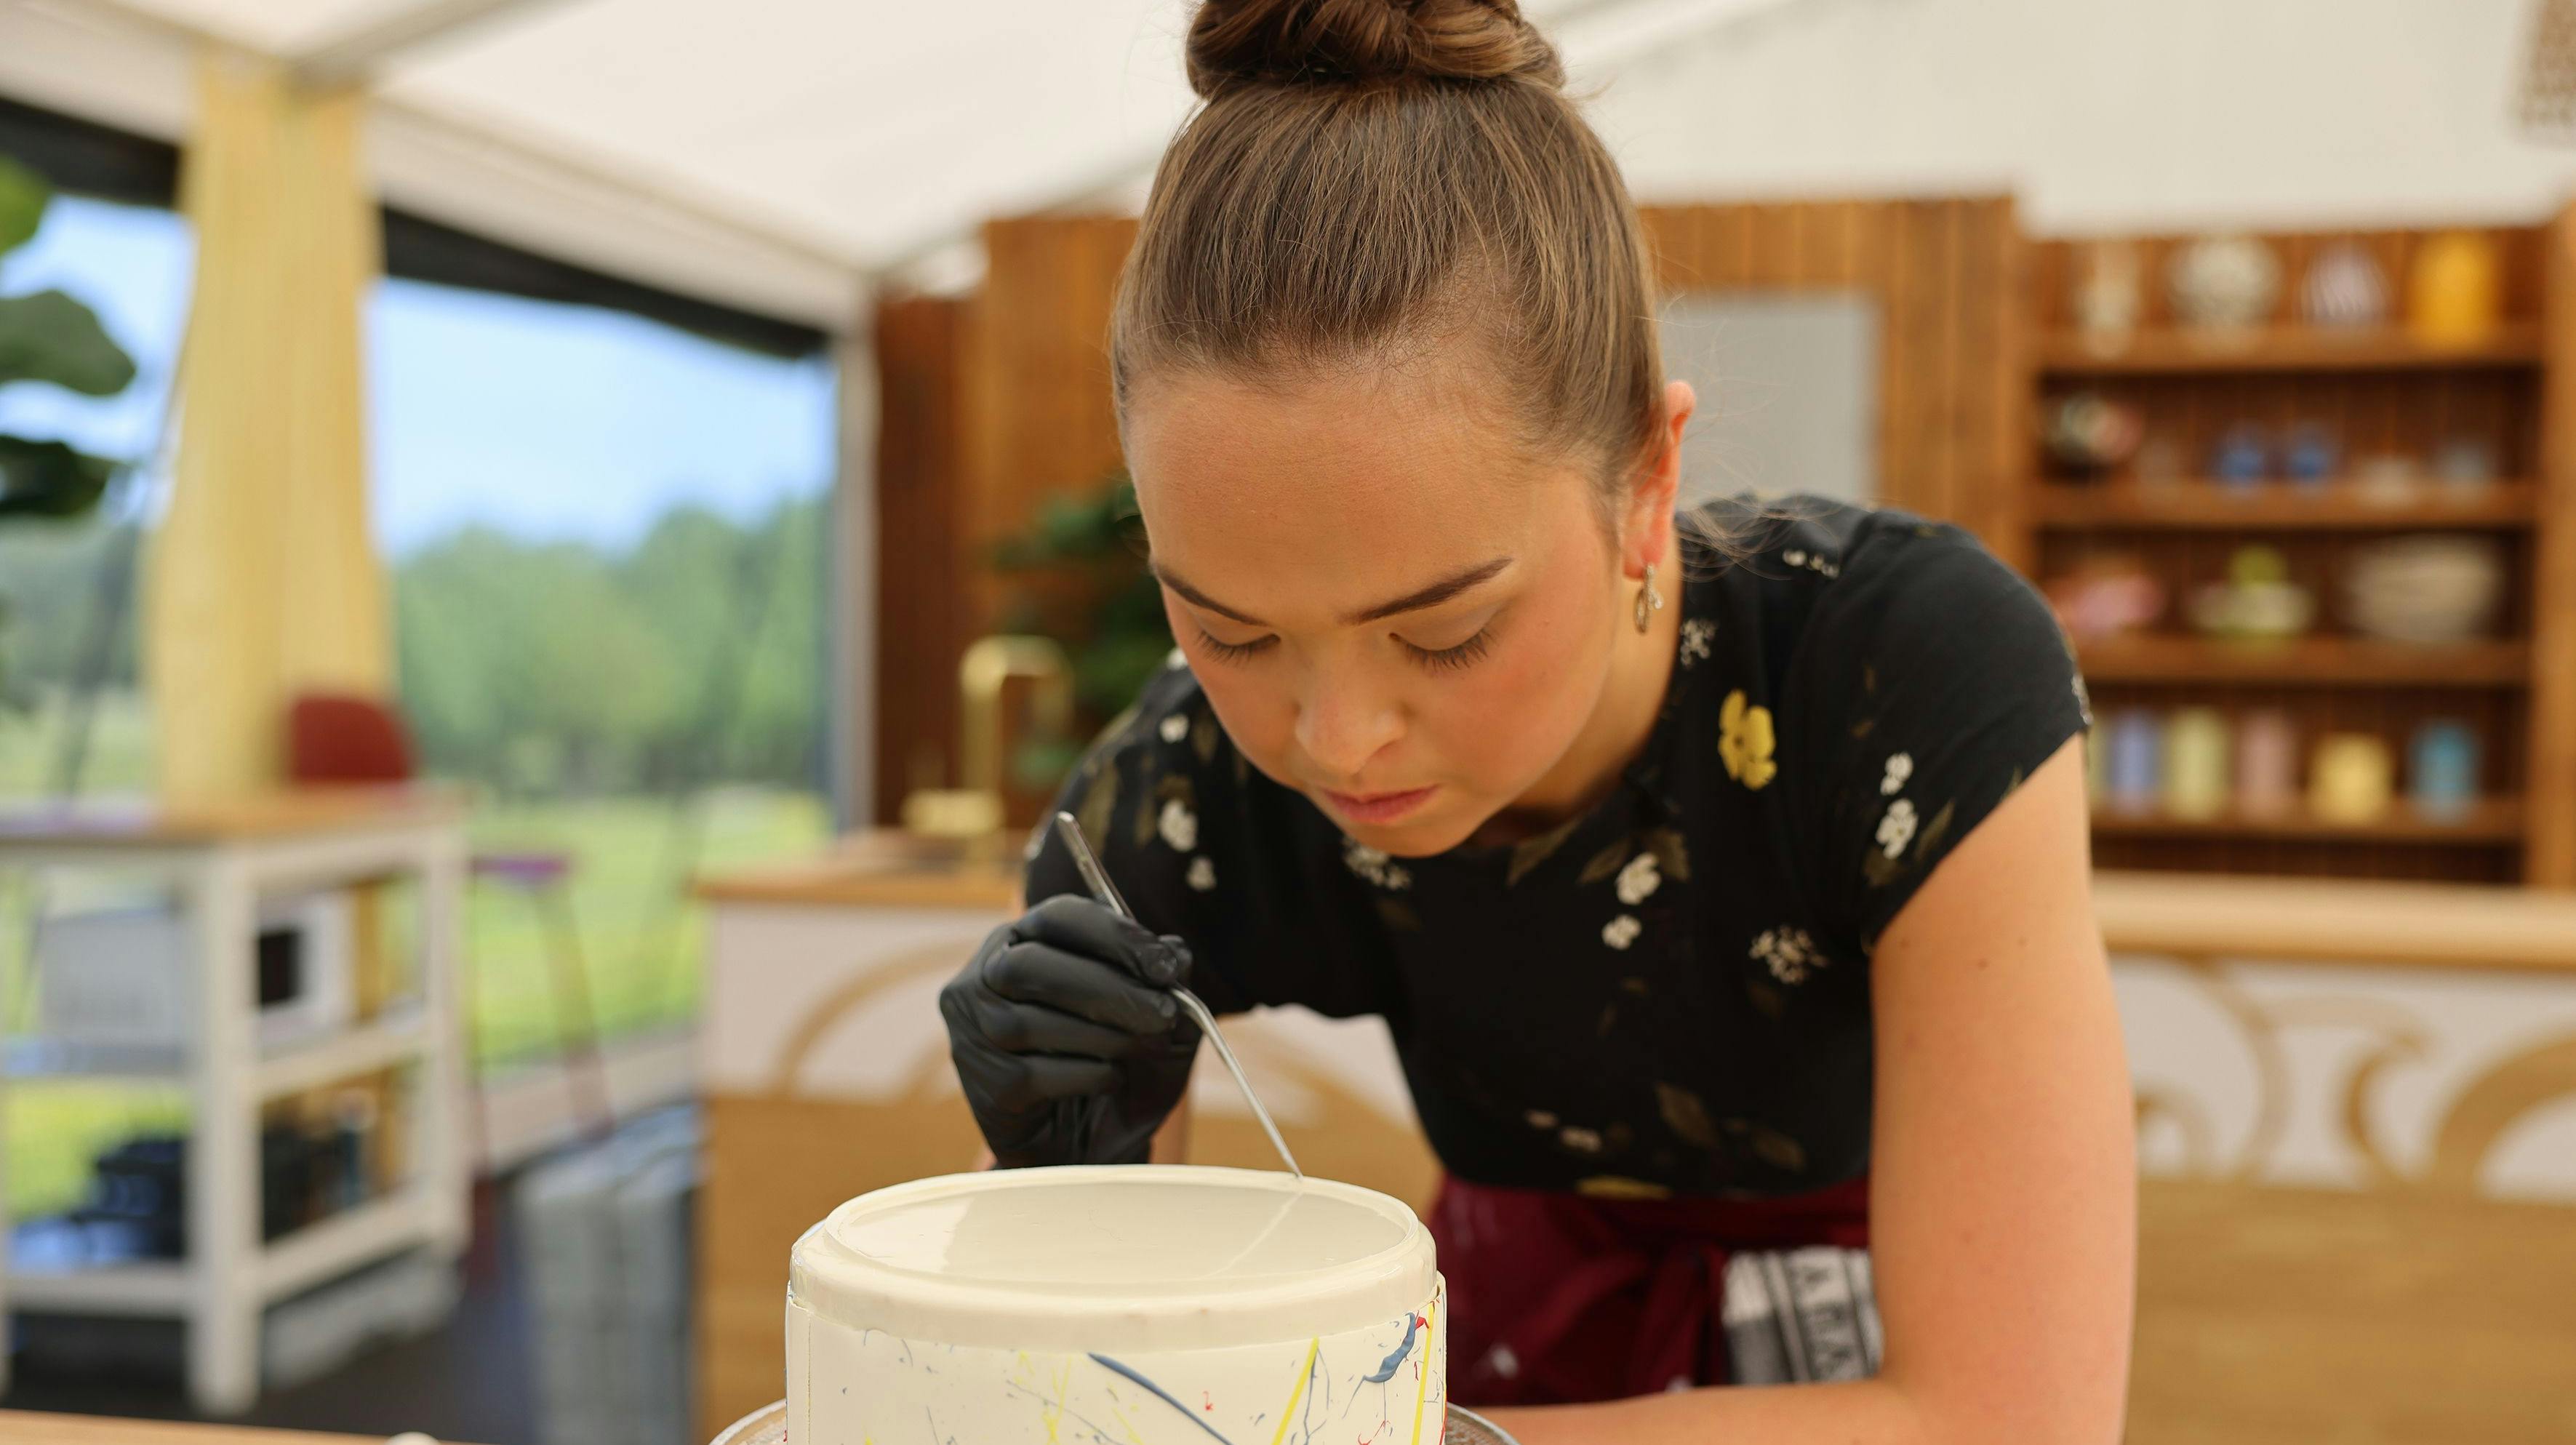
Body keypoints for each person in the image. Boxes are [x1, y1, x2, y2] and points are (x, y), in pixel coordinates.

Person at [938, 1, 2135, 1438]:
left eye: (1444, 631)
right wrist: (1074, 1193)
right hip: (1492, 1362)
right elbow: (1099, 1408)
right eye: (1229, 629)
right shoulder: (1180, 788)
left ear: (1643, 475)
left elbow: (2008, 1421)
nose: (1333, 736)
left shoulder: (1894, 676)